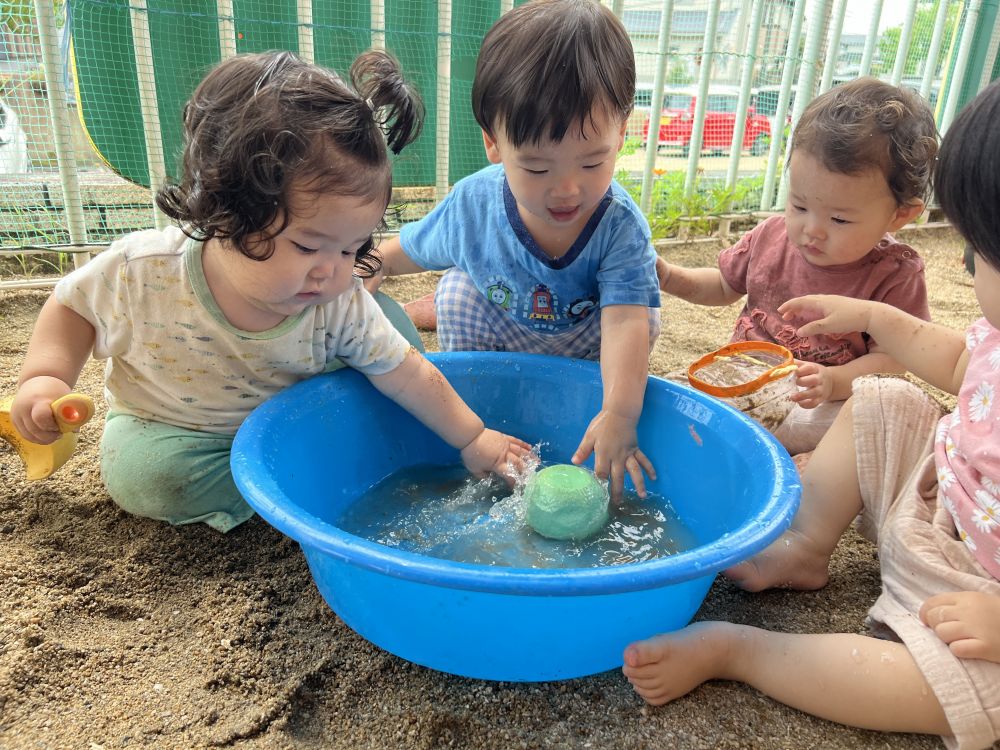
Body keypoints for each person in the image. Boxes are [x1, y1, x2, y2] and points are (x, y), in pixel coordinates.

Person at [623, 79, 1000, 749]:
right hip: (931, 505)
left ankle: (743, 652)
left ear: (899, 215)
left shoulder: (896, 266)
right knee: (891, 405)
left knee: (973, 697)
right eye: (976, 253)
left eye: (986, 258)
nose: (972, 274)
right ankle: (801, 544)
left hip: (973, 596)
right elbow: (942, 363)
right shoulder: (991, 336)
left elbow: (881, 363)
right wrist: (874, 318)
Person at [10, 50, 530, 533]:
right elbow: (71, 307)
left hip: (297, 409)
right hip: (184, 429)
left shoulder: (336, 296)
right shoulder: (142, 271)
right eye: (308, 247)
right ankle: (281, 487)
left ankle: (304, 466)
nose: (334, 271)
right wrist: (45, 377)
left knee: (387, 333)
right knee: (146, 475)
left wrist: (472, 436)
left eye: (352, 248)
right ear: (228, 211)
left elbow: (406, 371)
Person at [368, 0, 662, 501]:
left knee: (642, 318)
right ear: (493, 143)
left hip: (583, 345)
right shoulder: (475, 205)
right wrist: (367, 266)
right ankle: (480, 416)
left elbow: (626, 322)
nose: (567, 190)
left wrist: (620, 414)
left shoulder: (619, 225)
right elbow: (411, 250)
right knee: (456, 292)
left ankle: (586, 410)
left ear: (622, 132)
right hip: (500, 336)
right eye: (538, 169)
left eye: (593, 163)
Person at [658, 77, 938, 455]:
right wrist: (670, 277)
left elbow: (894, 358)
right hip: (742, 382)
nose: (812, 230)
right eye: (799, 205)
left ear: (901, 215)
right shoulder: (773, 235)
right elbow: (724, 286)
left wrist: (835, 381)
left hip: (817, 400)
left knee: (868, 428)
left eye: (839, 219)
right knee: (665, 402)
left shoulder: (895, 274)